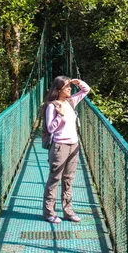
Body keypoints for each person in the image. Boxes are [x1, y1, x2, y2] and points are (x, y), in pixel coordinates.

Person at [42, 75, 90, 224]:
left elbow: (86, 90)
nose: (70, 89)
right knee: (55, 179)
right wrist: (60, 116)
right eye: (66, 87)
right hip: (59, 147)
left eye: (69, 86)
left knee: (68, 180)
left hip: (74, 145)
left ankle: (68, 211)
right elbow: (50, 128)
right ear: (58, 89)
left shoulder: (70, 101)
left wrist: (78, 82)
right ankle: (49, 212)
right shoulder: (52, 106)